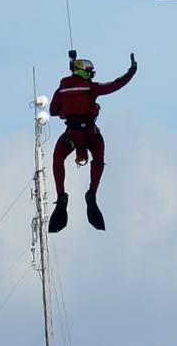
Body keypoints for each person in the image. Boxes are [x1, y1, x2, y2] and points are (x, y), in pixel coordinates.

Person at [48, 52, 137, 232]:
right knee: (98, 157)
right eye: (89, 74)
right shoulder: (92, 88)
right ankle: (92, 193)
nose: (91, 77)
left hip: (71, 135)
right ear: (82, 74)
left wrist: (68, 107)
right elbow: (116, 85)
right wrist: (131, 71)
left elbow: (53, 111)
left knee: (58, 158)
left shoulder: (62, 88)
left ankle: (61, 196)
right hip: (90, 134)